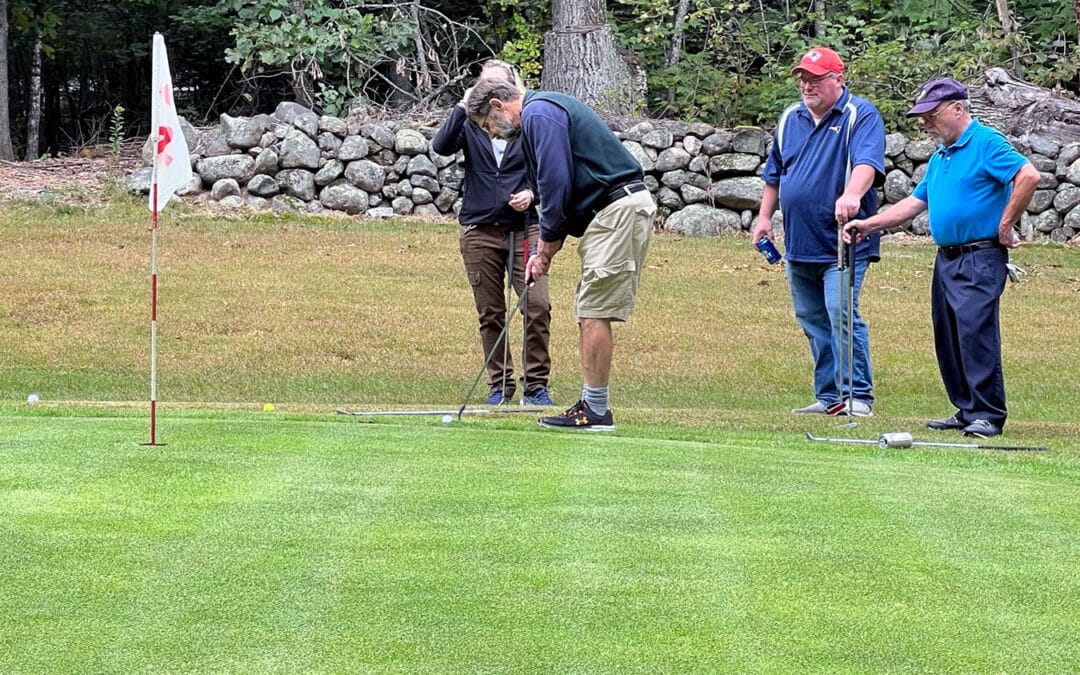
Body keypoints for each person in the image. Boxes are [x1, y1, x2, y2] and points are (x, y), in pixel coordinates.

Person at [844, 77, 1039, 438]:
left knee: (974, 333)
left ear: (957, 108)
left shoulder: (986, 143)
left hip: (978, 256)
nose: (926, 124)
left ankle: (988, 414)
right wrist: (869, 225)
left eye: (931, 116)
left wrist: (1006, 224)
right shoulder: (941, 155)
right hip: (947, 258)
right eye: (923, 119)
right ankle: (966, 410)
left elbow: (1028, 175)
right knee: (948, 335)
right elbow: (915, 203)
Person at [464, 77, 656, 431]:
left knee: (595, 311)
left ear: (497, 106)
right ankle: (591, 405)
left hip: (617, 208)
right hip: (608, 213)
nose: (492, 133)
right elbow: (550, 184)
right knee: (589, 310)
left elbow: (556, 181)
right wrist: (546, 247)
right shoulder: (541, 114)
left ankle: (595, 411)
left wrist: (546, 247)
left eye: (488, 125)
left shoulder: (539, 113)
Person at [754, 47, 886, 418]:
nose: (806, 85)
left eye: (815, 78)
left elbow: (867, 163)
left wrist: (852, 194)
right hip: (799, 241)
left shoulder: (859, 115)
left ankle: (857, 396)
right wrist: (764, 218)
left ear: (838, 79)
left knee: (840, 312)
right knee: (812, 319)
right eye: (803, 79)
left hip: (843, 241)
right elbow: (775, 175)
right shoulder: (789, 119)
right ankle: (830, 396)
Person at [431, 61, 554, 406]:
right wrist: (463, 105)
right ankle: (499, 385)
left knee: (537, 305)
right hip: (479, 229)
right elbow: (441, 146)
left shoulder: (527, 122)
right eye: (484, 86)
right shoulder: (472, 123)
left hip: (525, 228)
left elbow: (550, 169)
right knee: (490, 312)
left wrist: (533, 195)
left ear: (511, 90)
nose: (490, 93)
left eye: (498, 86)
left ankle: (536, 386)